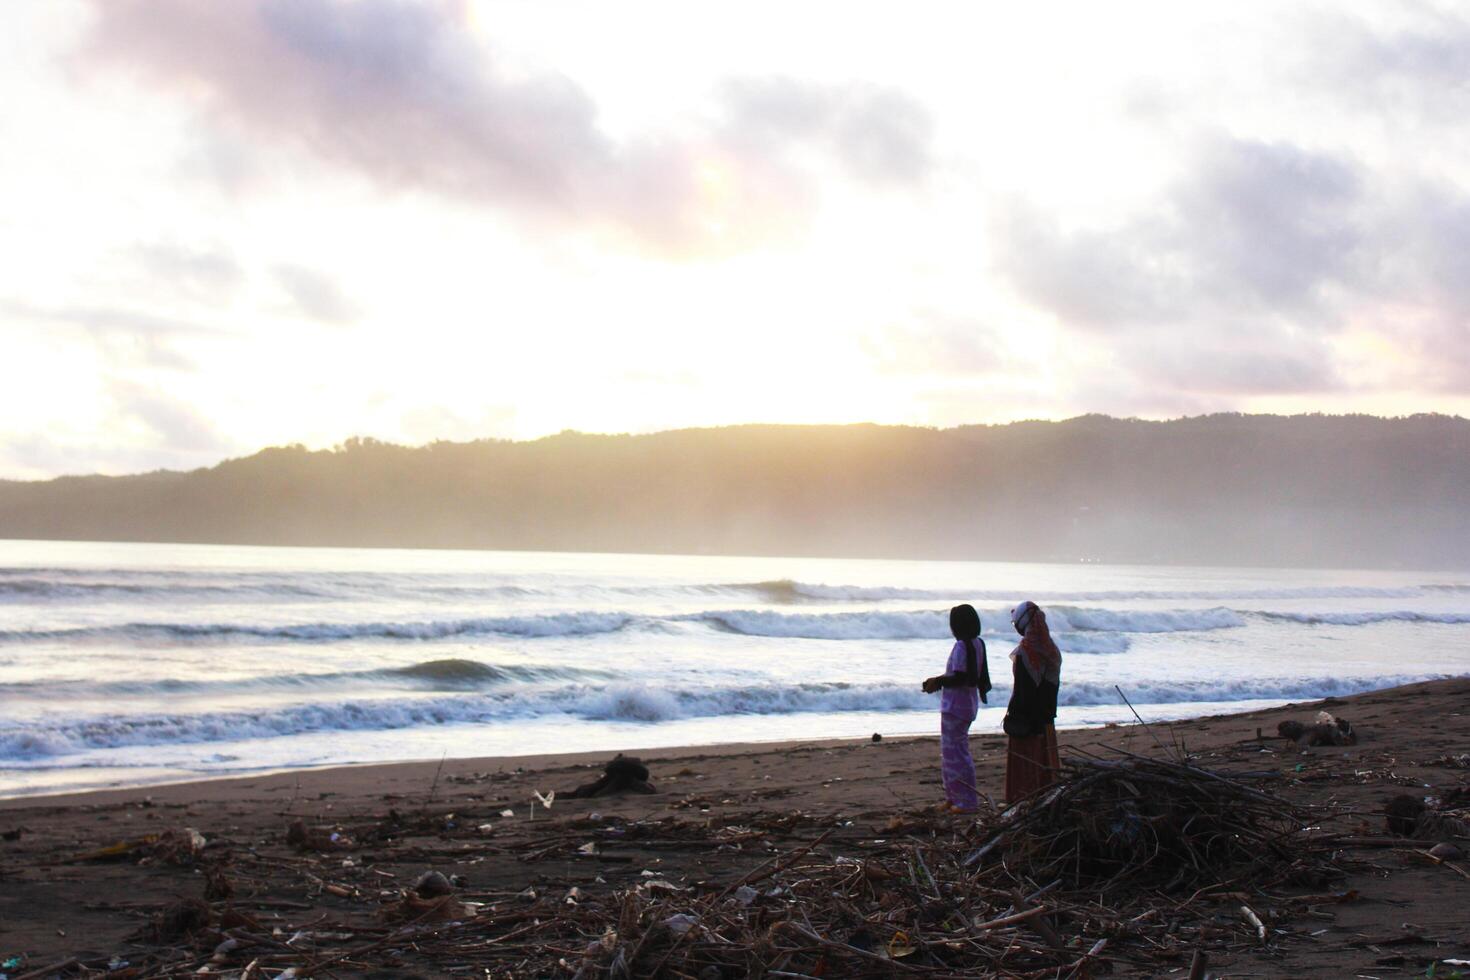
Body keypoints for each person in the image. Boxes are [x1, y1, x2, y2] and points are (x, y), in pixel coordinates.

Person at [921, 604, 991, 812]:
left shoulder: (962, 646)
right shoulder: (978, 643)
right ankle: (953, 797)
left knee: (956, 754)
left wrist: (938, 681)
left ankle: (965, 800)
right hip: (967, 705)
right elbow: (977, 675)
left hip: (955, 706)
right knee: (954, 752)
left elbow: (960, 676)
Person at [1003, 600, 1062, 804]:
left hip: (1026, 722)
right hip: (1046, 719)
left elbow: (1022, 691)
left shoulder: (1025, 652)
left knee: (1025, 769)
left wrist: (1012, 715)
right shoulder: (1052, 650)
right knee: (1046, 765)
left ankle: (1023, 801)